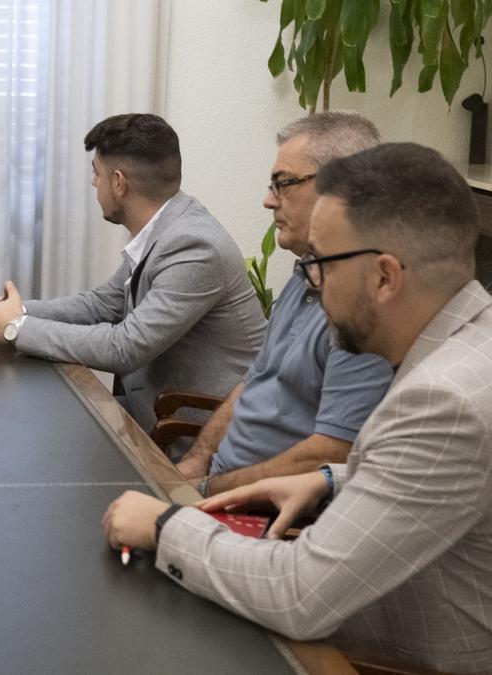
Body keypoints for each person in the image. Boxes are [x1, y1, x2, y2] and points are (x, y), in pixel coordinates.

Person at [102, 143, 492, 673]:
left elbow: (296, 596)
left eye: (322, 266)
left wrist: (165, 525)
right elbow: (449, 474)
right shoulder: (471, 342)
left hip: (379, 659)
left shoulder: (440, 401)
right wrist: (333, 479)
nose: (312, 285)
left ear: (384, 278)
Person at [0, 113, 265, 433]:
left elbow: (125, 348)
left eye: (96, 173)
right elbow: (103, 304)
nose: (92, 183)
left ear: (118, 182)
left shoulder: (195, 246)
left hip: (195, 432)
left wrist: (15, 328)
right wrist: (16, 312)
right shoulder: (167, 229)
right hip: (152, 411)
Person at [175, 113, 393, 496]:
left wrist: (210, 489)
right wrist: (199, 457)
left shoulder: (364, 307)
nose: (267, 200)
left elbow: (329, 454)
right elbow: (255, 379)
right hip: (221, 485)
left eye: (282, 184)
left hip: (266, 512)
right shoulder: (306, 272)